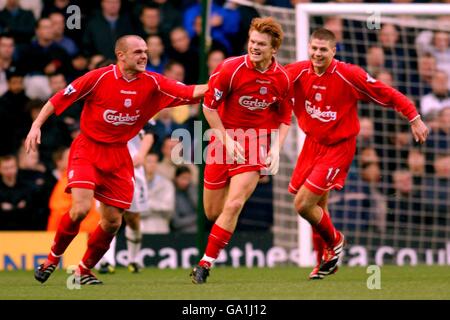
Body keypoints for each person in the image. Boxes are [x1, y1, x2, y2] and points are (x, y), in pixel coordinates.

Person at [25, 34, 207, 285]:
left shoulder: (153, 82)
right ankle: (52, 259)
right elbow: (58, 98)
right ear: (121, 55)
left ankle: (84, 270)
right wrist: (36, 126)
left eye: (145, 51)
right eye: (137, 52)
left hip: (120, 154)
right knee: (79, 209)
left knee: (112, 222)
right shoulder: (98, 77)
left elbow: (190, 92)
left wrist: (225, 82)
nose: (144, 55)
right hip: (88, 148)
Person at [284, 28, 429, 280]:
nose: (318, 54)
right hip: (312, 145)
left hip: (338, 147)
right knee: (318, 208)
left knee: (303, 204)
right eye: (314, 48)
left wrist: (413, 116)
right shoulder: (297, 72)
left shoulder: (348, 74)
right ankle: (325, 262)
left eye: (323, 50)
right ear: (309, 48)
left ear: (333, 51)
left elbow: (386, 92)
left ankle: (336, 240)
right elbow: (268, 84)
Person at [190, 17, 291, 284]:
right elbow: (208, 107)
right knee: (214, 212)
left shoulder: (281, 78)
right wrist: (225, 139)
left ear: (274, 49)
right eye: (252, 41)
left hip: (254, 143)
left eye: (261, 44)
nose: (254, 47)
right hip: (222, 141)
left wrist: (276, 149)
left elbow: (284, 117)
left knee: (234, 204)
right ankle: (217, 240)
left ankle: (204, 264)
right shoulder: (230, 69)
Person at [98, 122, 155, 274]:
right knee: (108, 216)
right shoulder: (102, 106)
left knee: (133, 218)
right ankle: (106, 261)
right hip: (108, 167)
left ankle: (134, 259)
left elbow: (149, 132)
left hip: (133, 169)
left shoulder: (140, 104)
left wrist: (141, 155)